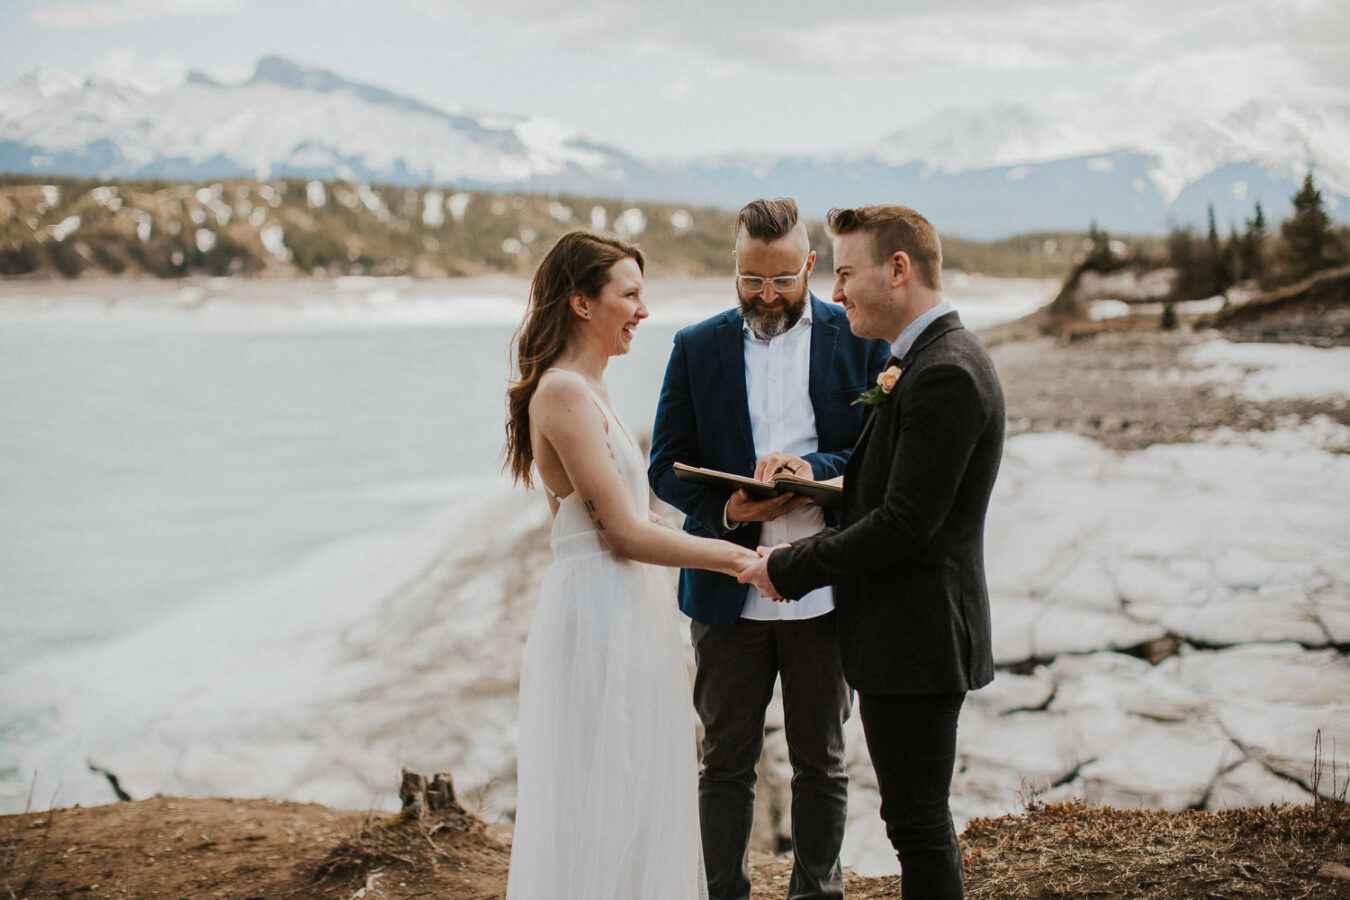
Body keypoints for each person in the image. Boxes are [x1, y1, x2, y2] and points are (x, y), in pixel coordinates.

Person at [738, 205, 1005, 900]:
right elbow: (889, 496)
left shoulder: (945, 372)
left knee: (917, 822)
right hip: (905, 636)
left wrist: (787, 567)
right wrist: (818, 494)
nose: (835, 292)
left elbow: (903, 525)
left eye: (846, 273)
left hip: (919, 637)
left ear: (899, 269)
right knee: (912, 818)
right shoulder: (922, 360)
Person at [504, 229, 758, 900]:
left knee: (635, 781)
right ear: (582, 303)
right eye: (630, 295)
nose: (644, 311)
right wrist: (740, 559)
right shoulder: (563, 392)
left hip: (624, 604)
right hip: (596, 611)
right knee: (606, 786)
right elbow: (620, 533)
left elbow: (635, 520)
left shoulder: (591, 387)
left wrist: (729, 523)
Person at [648, 198, 889, 900]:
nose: (766, 294)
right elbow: (665, 465)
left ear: (810, 265)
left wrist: (814, 469)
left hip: (825, 584)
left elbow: (879, 449)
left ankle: (817, 893)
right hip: (727, 589)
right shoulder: (696, 346)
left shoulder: (860, 338)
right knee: (724, 762)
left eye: (782, 279)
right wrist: (729, 507)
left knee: (823, 762)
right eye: (751, 278)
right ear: (735, 264)